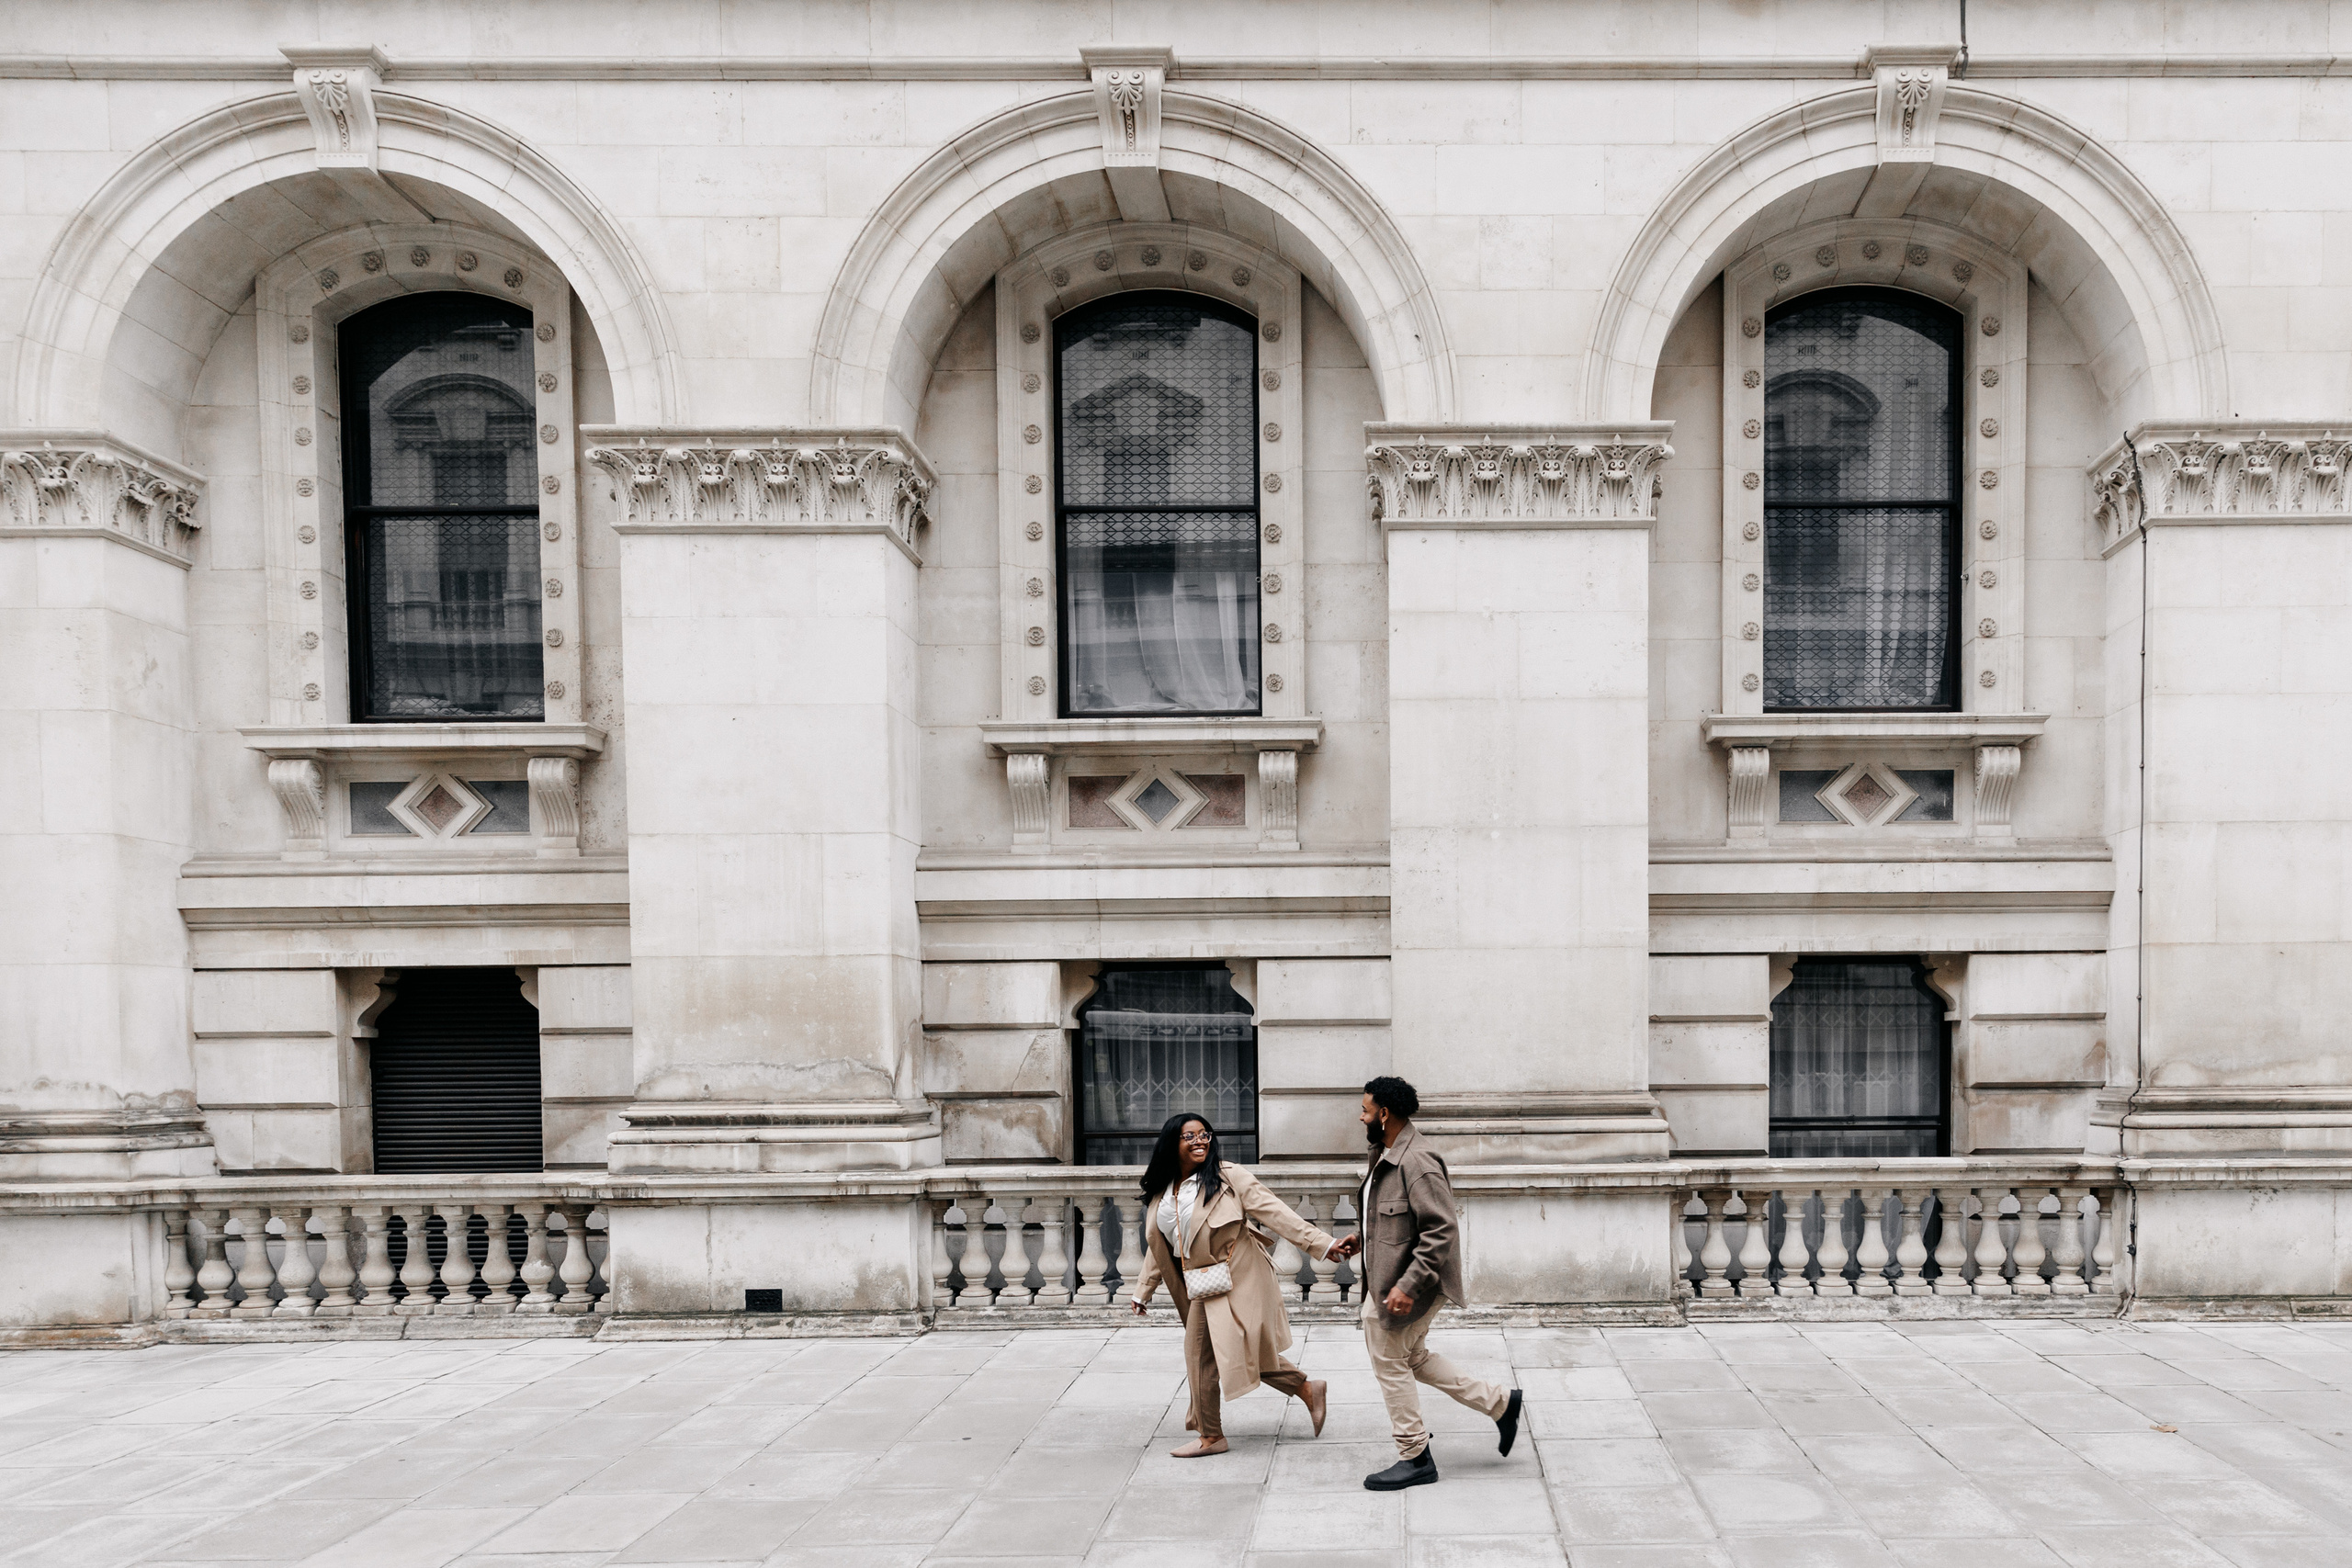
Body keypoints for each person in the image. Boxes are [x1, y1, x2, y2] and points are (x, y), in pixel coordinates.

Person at [1327, 1075, 1523, 1491]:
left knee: (1388, 1360)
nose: (1359, 1115)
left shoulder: (1417, 1161)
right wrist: (1363, 1238)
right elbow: (1395, 1216)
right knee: (1410, 1357)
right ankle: (1501, 1403)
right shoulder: (1385, 1151)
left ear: (1383, 1114)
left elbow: (1440, 1230)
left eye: (1364, 1109)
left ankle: (1415, 1456)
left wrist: (1408, 1286)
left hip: (1409, 1284)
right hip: (1392, 1278)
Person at [1127, 1112, 1340, 1457]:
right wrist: (1143, 1289)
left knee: (1200, 1354)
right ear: (1172, 1143)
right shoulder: (1164, 1190)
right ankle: (1307, 1388)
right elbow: (1165, 1244)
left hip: (1239, 1276)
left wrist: (1322, 1244)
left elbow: (1276, 1213)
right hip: (1201, 1282)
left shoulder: (1228, 1176)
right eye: (1189, 1136)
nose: (1199, 1141)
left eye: (1204, 1134)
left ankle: (1211, 1436)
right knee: (1237, 1348)